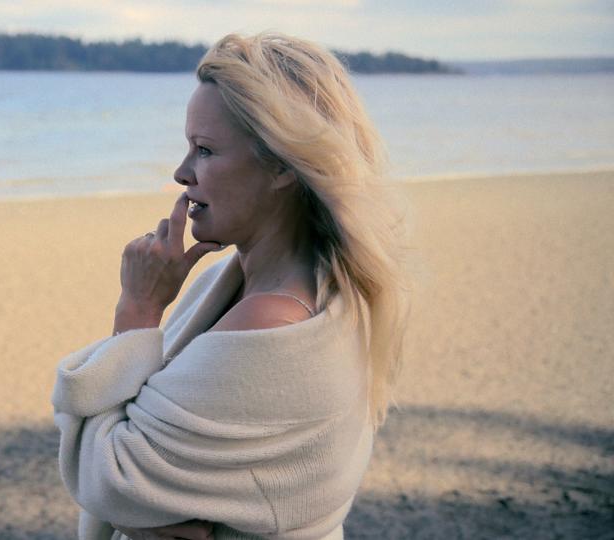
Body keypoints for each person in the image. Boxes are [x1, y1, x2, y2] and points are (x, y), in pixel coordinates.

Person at [52, 32, 410, 540]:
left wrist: (138, 308)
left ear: (283, 164)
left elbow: (107, 479)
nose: (181, 173)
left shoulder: (271, 323)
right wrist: (149, 514)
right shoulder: (314, 282)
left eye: (204, 150)